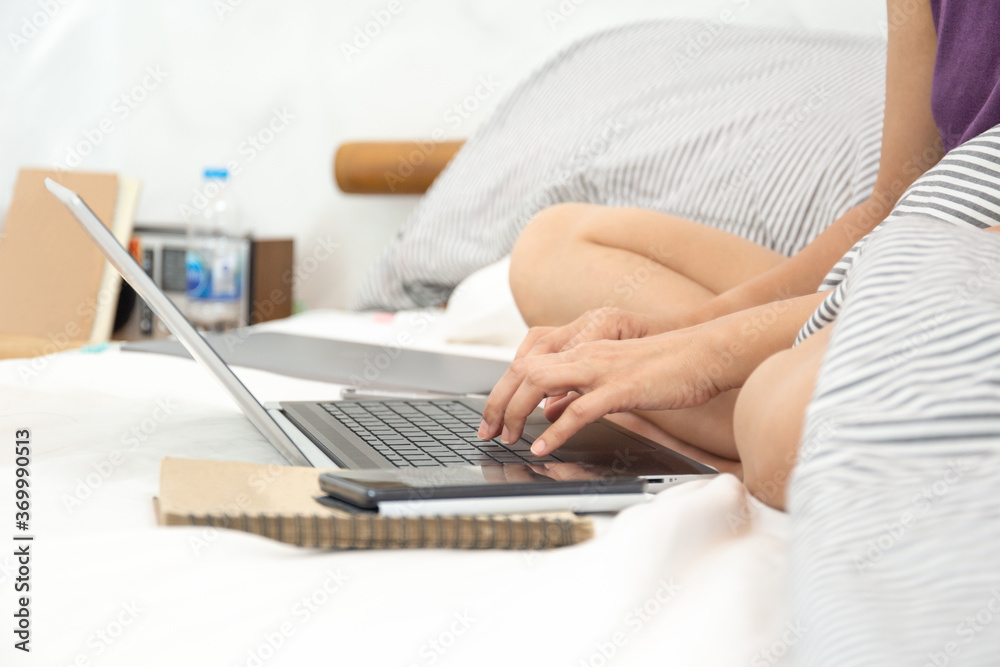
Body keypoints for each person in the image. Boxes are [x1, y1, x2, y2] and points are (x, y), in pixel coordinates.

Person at [478, 0, 1000, 509]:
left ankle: (730, 454)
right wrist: (676, 335)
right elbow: (889, 207)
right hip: (901, 268)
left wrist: (708, 357)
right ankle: (726, 434)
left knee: (776, 420)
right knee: (557, 244)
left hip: (962, 290)